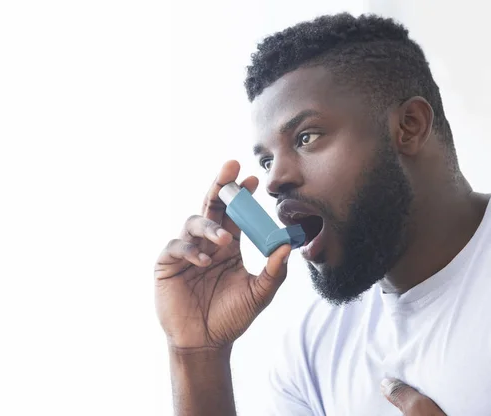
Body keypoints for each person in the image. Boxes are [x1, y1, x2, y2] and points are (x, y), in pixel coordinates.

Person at [154, 13, 491, 415]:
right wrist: (197, 355)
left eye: (306, 137)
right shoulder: (313, 349)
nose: (275, 180)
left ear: (410, 126)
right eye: (265, 162)